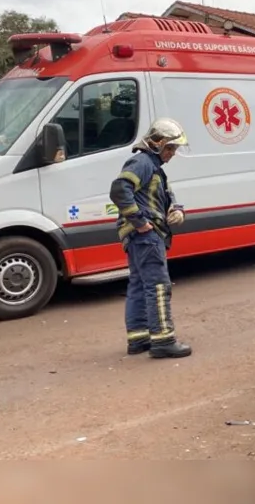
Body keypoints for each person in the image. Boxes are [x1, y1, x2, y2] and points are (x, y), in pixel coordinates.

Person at [109, 118, 192, 357]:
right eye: (170, 148)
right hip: (146, 236)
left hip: (139, 237)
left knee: (138, 284)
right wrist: (141, 222)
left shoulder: (153, 168)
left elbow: (163, 197)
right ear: (157, 143)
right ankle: (163, 340)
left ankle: (139, 338)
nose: (172, 154)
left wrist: (177, 210)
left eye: (174, 149)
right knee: (158, 286)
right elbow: (119, 189)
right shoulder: (142, 161)